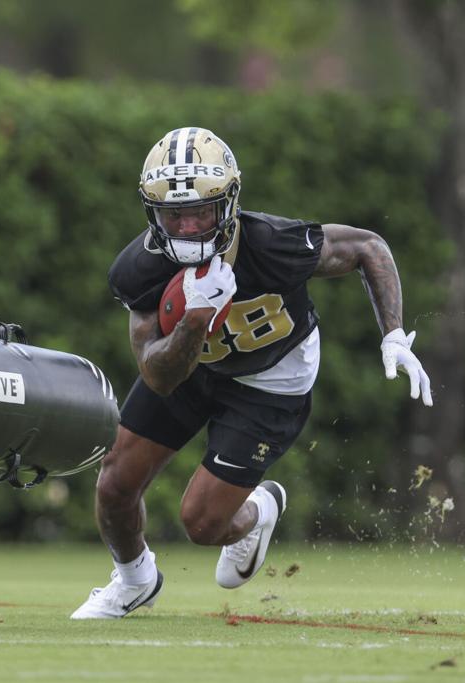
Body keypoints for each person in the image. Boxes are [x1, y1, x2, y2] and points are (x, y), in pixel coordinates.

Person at [71, 127, 432, 619]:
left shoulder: (273, 243)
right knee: (114, 482)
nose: (190, 228)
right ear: (153, 213)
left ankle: (260, 509)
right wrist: (195, 322)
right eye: (174, 215)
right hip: (193, 365)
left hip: (272, 376)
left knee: (201, 524)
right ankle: (135, 580)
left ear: (229, 202)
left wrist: (392, 332)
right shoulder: (139, 269)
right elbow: (157, 376)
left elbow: (368, 247)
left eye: (201, 210)